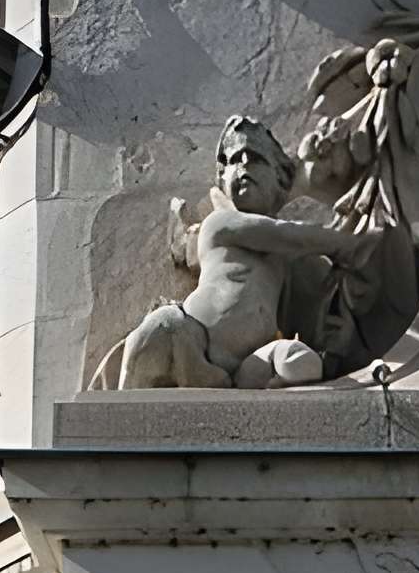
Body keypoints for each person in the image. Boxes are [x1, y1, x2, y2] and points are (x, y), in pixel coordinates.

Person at [114, 115, 372, 389]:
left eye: (256, 158)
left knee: (301, 364)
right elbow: (289, 235)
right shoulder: (221, 224)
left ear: (281, 178)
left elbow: (315, 297)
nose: (244, 165)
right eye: (234, 160)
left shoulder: (285, 258)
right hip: (188, 340)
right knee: (152, 344)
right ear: (222, 181)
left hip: (237, 368)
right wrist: (350, 244)